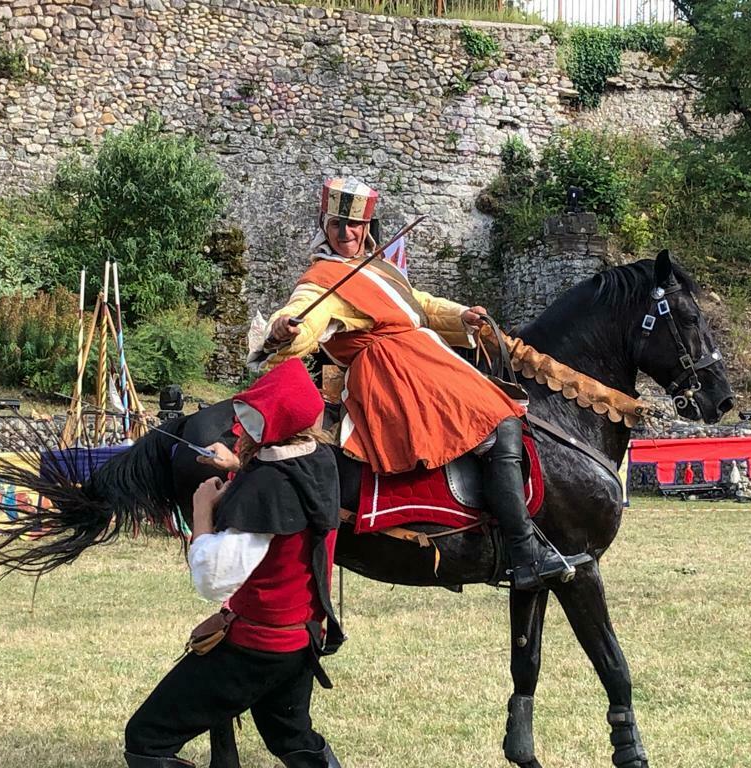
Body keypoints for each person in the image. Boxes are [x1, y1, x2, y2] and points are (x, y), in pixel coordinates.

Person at [249, 177, 590, 591]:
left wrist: (461, 315)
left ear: (367, 226)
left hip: (423, 358)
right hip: (392, 372)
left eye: (354, 225)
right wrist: (285, 330)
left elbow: (420, 305)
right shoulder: (321, 279)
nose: (346, 233)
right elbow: (305, 316)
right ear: (324, 224)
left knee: (503, 417)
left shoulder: (378, 268)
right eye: (338, 224)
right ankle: (523, 552)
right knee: (497, 422)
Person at [123, 358, 344, 768]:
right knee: (293, 740)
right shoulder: (320, 461)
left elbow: (214, 579)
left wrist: (201, 509)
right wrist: (239, 467)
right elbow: (285, 481)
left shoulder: (263, 488)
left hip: (256, 649)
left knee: (146, 739)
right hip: (301, 641)